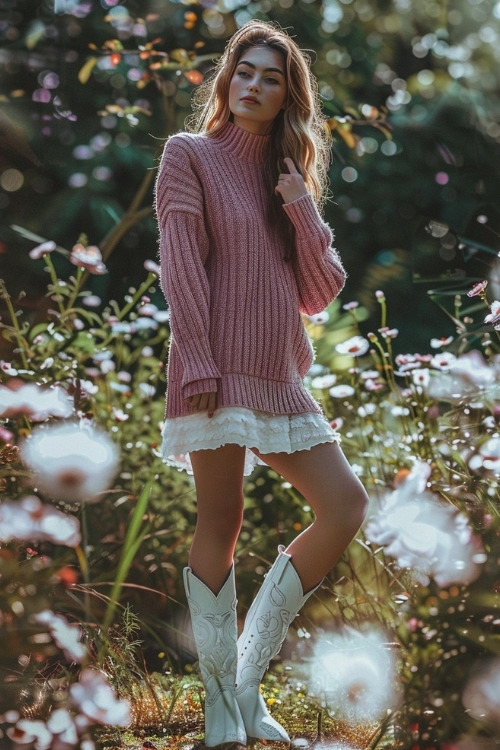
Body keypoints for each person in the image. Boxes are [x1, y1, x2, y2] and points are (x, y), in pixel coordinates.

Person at [155, 19, 368, 749]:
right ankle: (220, 708)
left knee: (343, 506)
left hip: (280, 377)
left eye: (271, 77)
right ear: (226, 80)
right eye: (244, 71)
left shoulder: (286, 177)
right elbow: (180, 269)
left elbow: (319, 292)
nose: (254, 84)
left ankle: (246, 684)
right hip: (214, 369)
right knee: (222, 521)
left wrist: (301, 205)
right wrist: (200, 362)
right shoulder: (189, 155)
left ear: (287, 96)